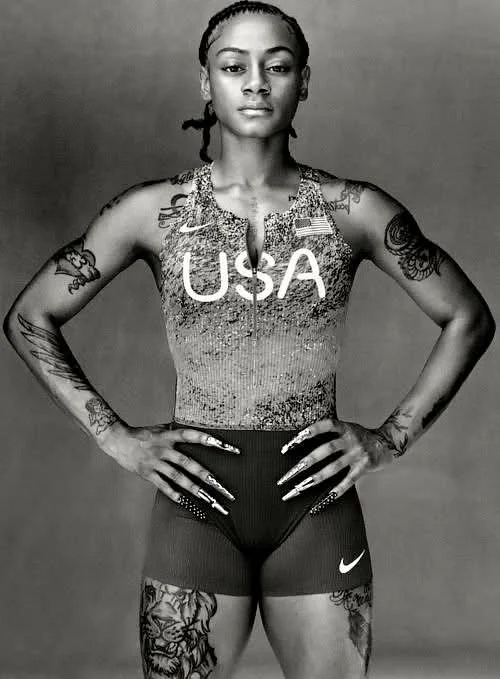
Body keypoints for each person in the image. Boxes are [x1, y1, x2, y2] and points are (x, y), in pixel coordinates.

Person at [3, 1, 495, 677]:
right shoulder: (154, 211)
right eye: (234, 66)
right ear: (206, 82)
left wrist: (391, 437)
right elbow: (30, 315)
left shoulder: (352, 209)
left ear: (303, 81)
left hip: (316, 503)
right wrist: (113, 434)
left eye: (278, 65)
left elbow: (469, 317)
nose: (257, 82)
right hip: (196, 503)